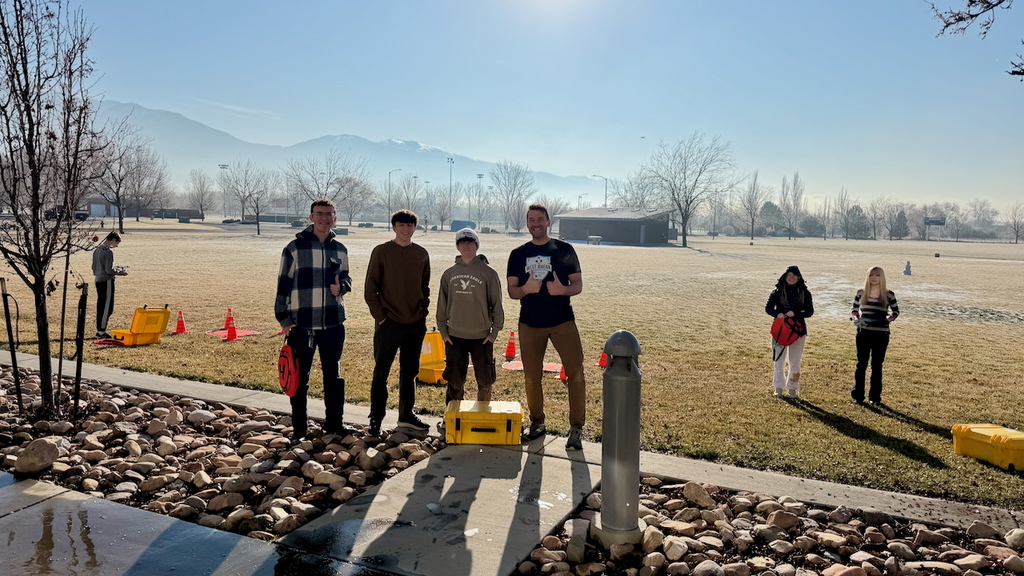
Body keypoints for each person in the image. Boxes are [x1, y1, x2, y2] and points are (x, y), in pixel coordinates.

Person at [507, 204, 586, 451]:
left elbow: (578, 284)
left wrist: (562, 290)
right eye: (531, 220)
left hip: (563, 321)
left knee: (576, 374)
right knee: (532, 377)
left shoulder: (564, 250)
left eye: (540, 219)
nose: (536, 223)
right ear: (527, 223)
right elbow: (512, 291)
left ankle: (576, 428)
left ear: (549, 221)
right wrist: (526, 289)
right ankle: (537, 423)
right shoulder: (518, 254)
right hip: (530, 323)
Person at [275, 199, 352, 440]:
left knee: (333, 376)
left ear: (335, 218)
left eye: (329, 214)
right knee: (300, 379)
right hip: (302, 324)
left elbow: (347, 279)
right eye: (319, 214)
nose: (324, 218)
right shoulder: (295, 248)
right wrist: (284, 319)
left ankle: (334, 424)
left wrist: (343, 288)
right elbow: (283, 284)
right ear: (311, 217)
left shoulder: (340, 249)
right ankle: (299, 430)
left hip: (333, 323)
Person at [364, 209, 431, 436]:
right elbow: (370, 289)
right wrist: (381, 317)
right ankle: (376, 417)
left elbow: (425, 287)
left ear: (414, 228)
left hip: (415, 323)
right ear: (394, 227)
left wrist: (423, 312)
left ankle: (406, 415)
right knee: (381, 371)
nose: (406, 229)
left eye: (410, 225)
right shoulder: (382, 252)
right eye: (401, 225)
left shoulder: (421, 253)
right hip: (388, 322)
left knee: (410, 371)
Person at [436, 228, 505, 419]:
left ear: (476, 246)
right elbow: (442, 304)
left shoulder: (488, 273)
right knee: (455, 382)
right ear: (457, 246)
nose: (466, 246)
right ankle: (452, 419)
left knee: (485, 382)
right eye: (462, 242)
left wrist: (493, 333)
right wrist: (444, 332)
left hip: (481, 337)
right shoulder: (449, 274)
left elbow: (497, 305)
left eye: (470, 242)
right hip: (454, 337)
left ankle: (481, 418)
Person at [850, 266, 900, 405]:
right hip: (863, 333)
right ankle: (858, 396)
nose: (874, 277)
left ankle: (875, 398)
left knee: (877, 365)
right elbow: (854, 310)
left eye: (877, 275)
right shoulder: (861, 292)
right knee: (861, 365)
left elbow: (896, 312)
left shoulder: (889, 294)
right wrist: (856, 319)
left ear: (881, 277)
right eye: (871, 275)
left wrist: (887, 320)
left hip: (881, 335)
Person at [765, 265, 814, 399]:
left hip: (798, 331)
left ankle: (792, 387)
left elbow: (809, 311)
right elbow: (768, 308)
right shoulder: (777, 292)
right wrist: (777, 313)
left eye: (794, 276)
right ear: (785, 277)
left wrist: (796, 313)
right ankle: (778, 387)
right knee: (778, 359)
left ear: (798, 277)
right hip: (779, 330)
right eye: (788, 276)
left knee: (795, 361)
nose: (791, 278)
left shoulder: (805, 293)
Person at [92, 232, 126, 339]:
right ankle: (101, 331)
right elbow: (109, 270)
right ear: (113, 240)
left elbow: (93, 267)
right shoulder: (108, 252)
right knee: (107, 307)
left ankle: (100, 329)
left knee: (101, 305)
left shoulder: (97, 250)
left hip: (98, 279)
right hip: (106, 281)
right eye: (116, 243)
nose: (116, 246)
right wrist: (121, 272)